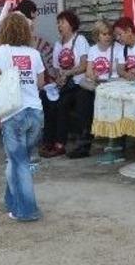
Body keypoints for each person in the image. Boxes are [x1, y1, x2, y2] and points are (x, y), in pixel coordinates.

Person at [0, 13, 45, 222]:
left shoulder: (2, 51)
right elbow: (40, 83)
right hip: (36, 113)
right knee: (20, 160)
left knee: (18, 162)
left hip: (13, 113)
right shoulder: (34, 53)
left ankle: (27, 210)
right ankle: (12, 201)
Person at [68, 19, 125, 159]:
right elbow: (88, 71)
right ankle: (84, 143)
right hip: (97, 85)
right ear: (97, 35)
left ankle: (116, 143)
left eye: (109, 34)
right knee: (82, 100)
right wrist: (93, 76)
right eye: (104, 34)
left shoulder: (118, 48)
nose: (107, 37)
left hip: (112, 84)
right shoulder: (93, 50)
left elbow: (120, 71)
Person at [39, 10, 89, 158]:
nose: (59, 26)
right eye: (58, 23)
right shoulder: (58, 44)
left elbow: (84, 65)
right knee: (47, 100)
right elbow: (56, 69)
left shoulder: (79, 40)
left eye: (62, 22)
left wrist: (67, 73)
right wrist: (59, 78)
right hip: (64, 85)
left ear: (71, 24)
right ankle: (48, 140)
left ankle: (60, 144)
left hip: (78, 84)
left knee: (62, 104)